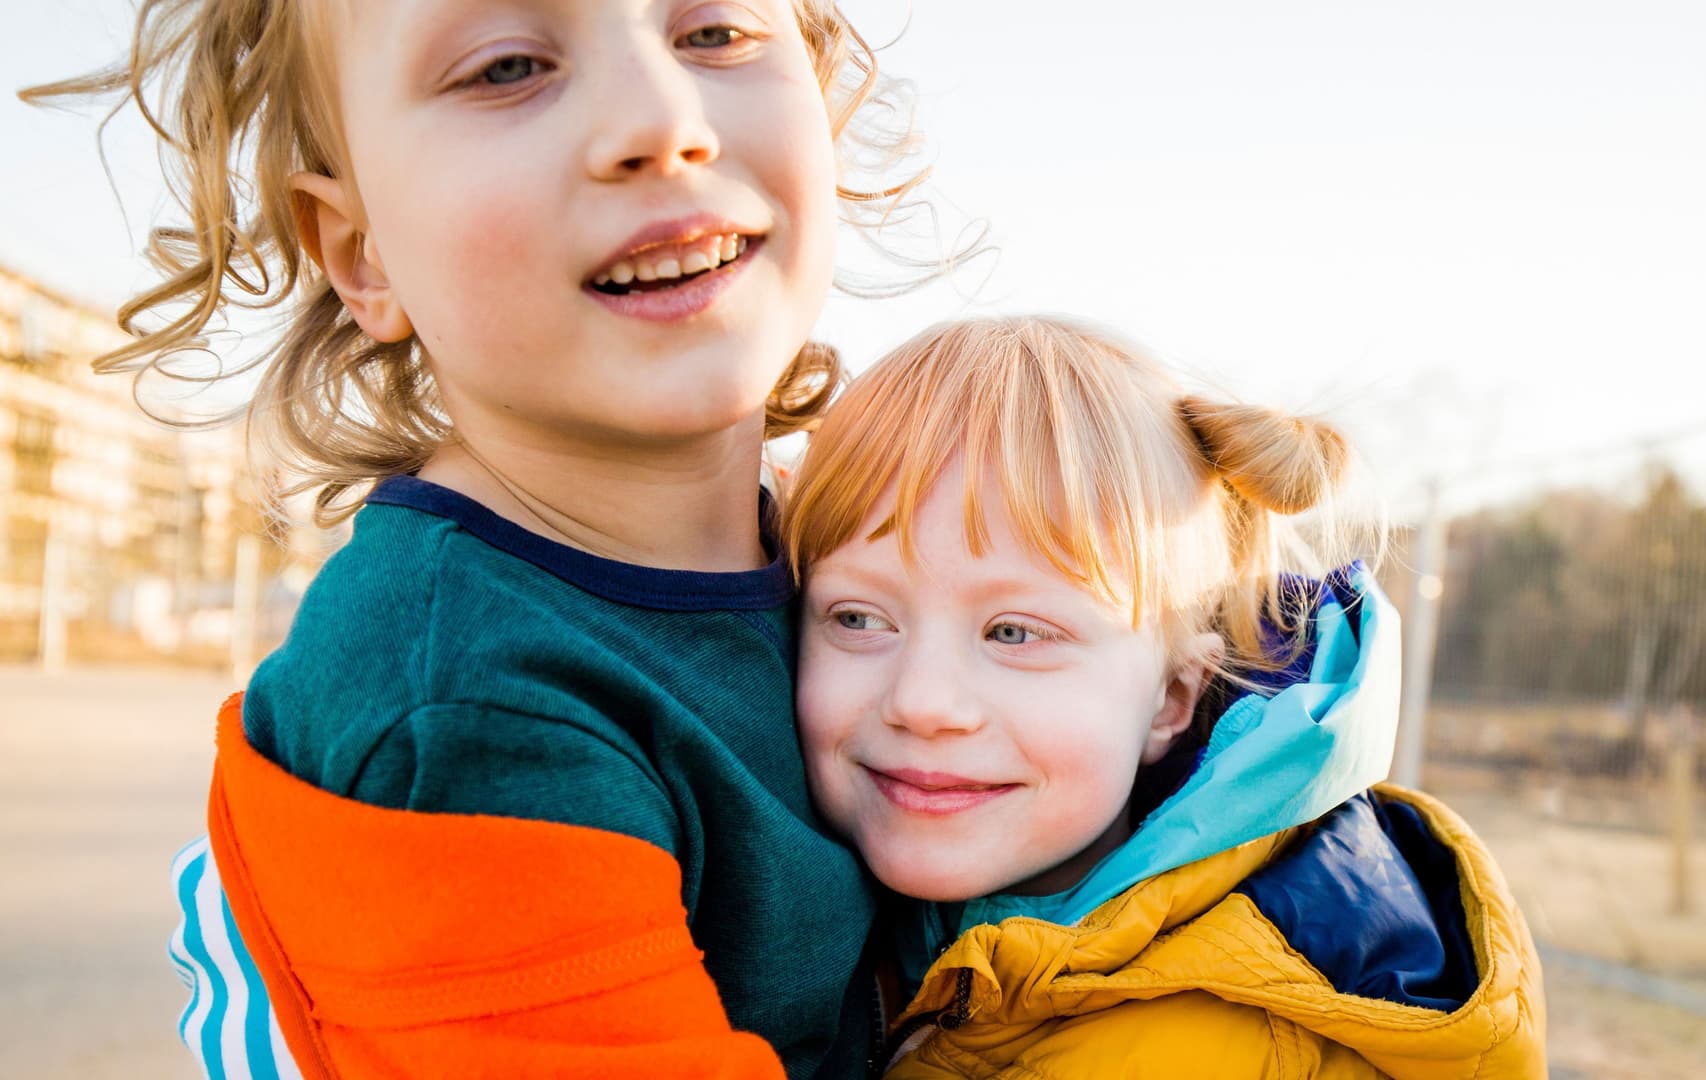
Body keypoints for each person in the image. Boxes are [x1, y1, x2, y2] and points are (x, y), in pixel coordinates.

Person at [24, 0, 933, 1075]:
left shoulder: (854, 542)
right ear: (363, 257)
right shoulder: (464, 704)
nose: (661, 117)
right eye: (506, 67)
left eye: (714, 33)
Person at [781, 316, 1548, 1077]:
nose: (922, 702)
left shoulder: (1196, 1045)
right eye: (858, 617)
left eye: (1015, 633)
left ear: (1172, 698)